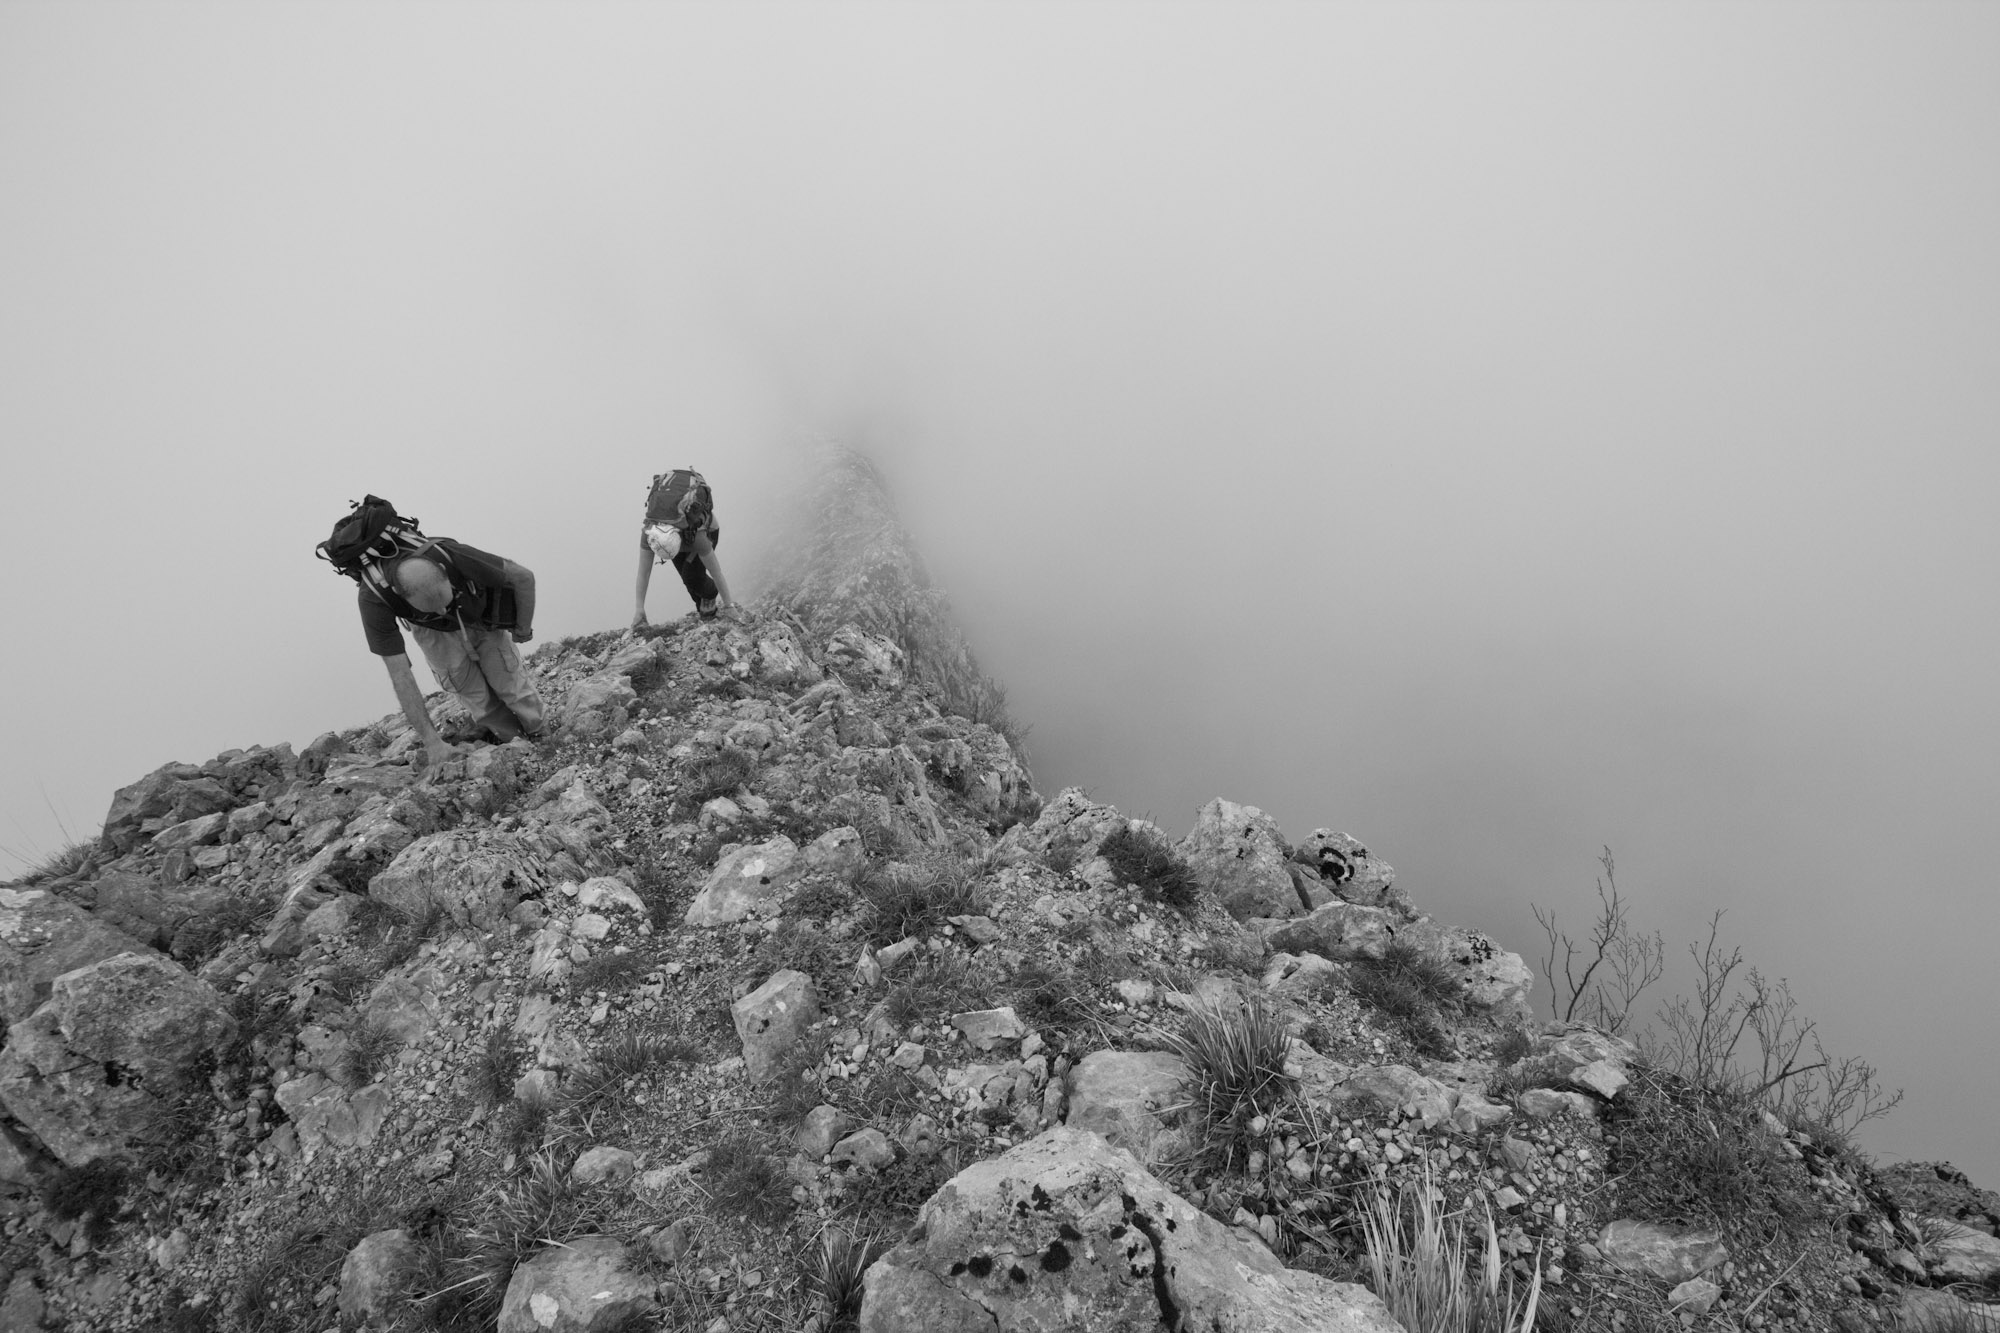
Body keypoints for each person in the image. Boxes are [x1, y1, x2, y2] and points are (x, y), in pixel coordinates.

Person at [356, 539, 544, 768]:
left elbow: (523, 577)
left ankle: (542, 736)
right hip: (432, 634)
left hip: (475, 617)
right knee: (478, 699)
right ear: (399, 594)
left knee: (510, 683)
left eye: (444, 601)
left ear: (444, 570)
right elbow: (400, 675)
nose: (443, 612)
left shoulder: (451, 553)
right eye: (433, 608)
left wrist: (523, 629)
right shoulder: (374, 599)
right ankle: (516, 747)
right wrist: (432, 742)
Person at [631, 468, 733, 629]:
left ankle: (711, 593)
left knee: (691, 575)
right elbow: (643, 573)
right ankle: (707, 614)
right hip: (680, 538)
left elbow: (716, 571)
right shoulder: (650, 536)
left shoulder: (697, 538)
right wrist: (639, 609)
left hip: (708, 531)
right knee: (688, 582)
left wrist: (729, 606)